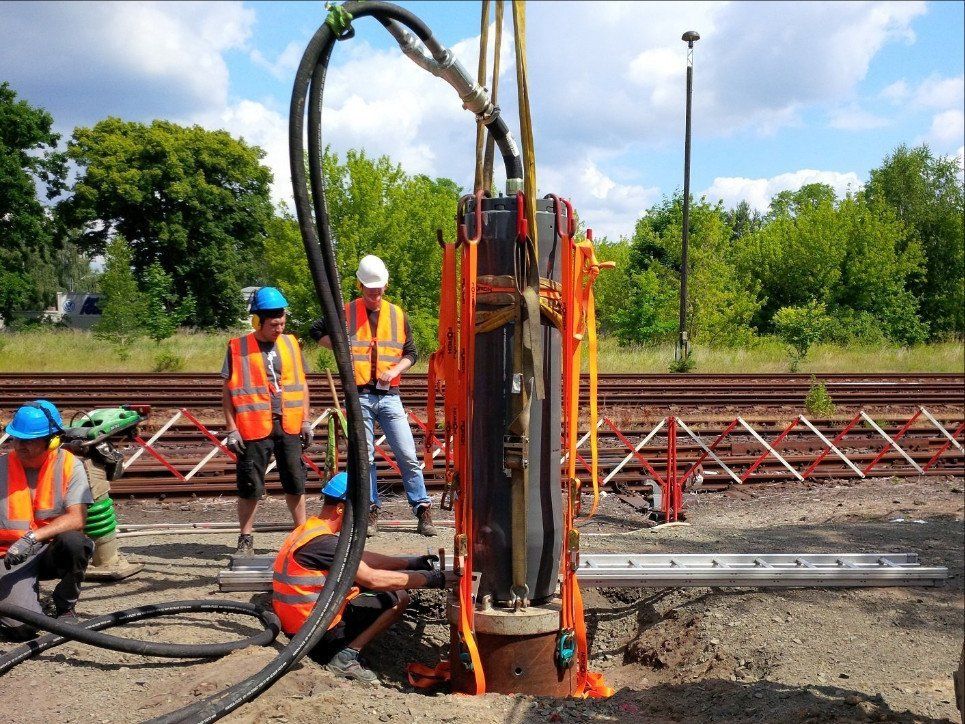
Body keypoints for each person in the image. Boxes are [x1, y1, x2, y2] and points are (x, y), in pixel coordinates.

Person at [272, 472, 448, 684]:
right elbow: (372, 579)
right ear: (340, 509)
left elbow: (359, 558)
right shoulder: (325, 543)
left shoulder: (310, 530)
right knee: (397, 597)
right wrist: (430, 579)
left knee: (365, 587)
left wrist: (409, 563)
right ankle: (344, 657)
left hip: (299, 623)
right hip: (314, 635)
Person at [311, 255, 436, 537]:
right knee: (364, 457)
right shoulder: (345, 311)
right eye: (370, 290)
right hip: (359, 396)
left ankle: (422, 508)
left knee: (406, 454)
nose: (374, 295)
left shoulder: (397, 314)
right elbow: (315, 330)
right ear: (360, 286)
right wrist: (340, 348)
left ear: (385, 286)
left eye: (378, 290)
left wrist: (393, 372)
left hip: (389, 395)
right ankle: (369, 510)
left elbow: (411, 353)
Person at [222, 286, 312, 556]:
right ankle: (246, 539)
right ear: (257, 322)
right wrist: (232, 429)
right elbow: (227, 391)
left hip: (289, 423)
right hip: (253, 427)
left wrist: (307, 421)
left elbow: (302, 384)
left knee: (295, 482)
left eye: (282, 323)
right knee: (250, 485)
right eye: (273, 324)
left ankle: (302, 536)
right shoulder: (238, 348)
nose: (279, 329)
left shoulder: (291, 344)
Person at [0, 401, 94, 639]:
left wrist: (31, 538)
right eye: (15, 439)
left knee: (75, 542)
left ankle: (65, 606)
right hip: (8, 558)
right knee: (22, 629)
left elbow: (77, 519)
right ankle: (29, 605)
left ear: (51, 440)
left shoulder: (70, 466)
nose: (19, 445)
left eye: (28, 440)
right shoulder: (1, 467)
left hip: (51, 551)